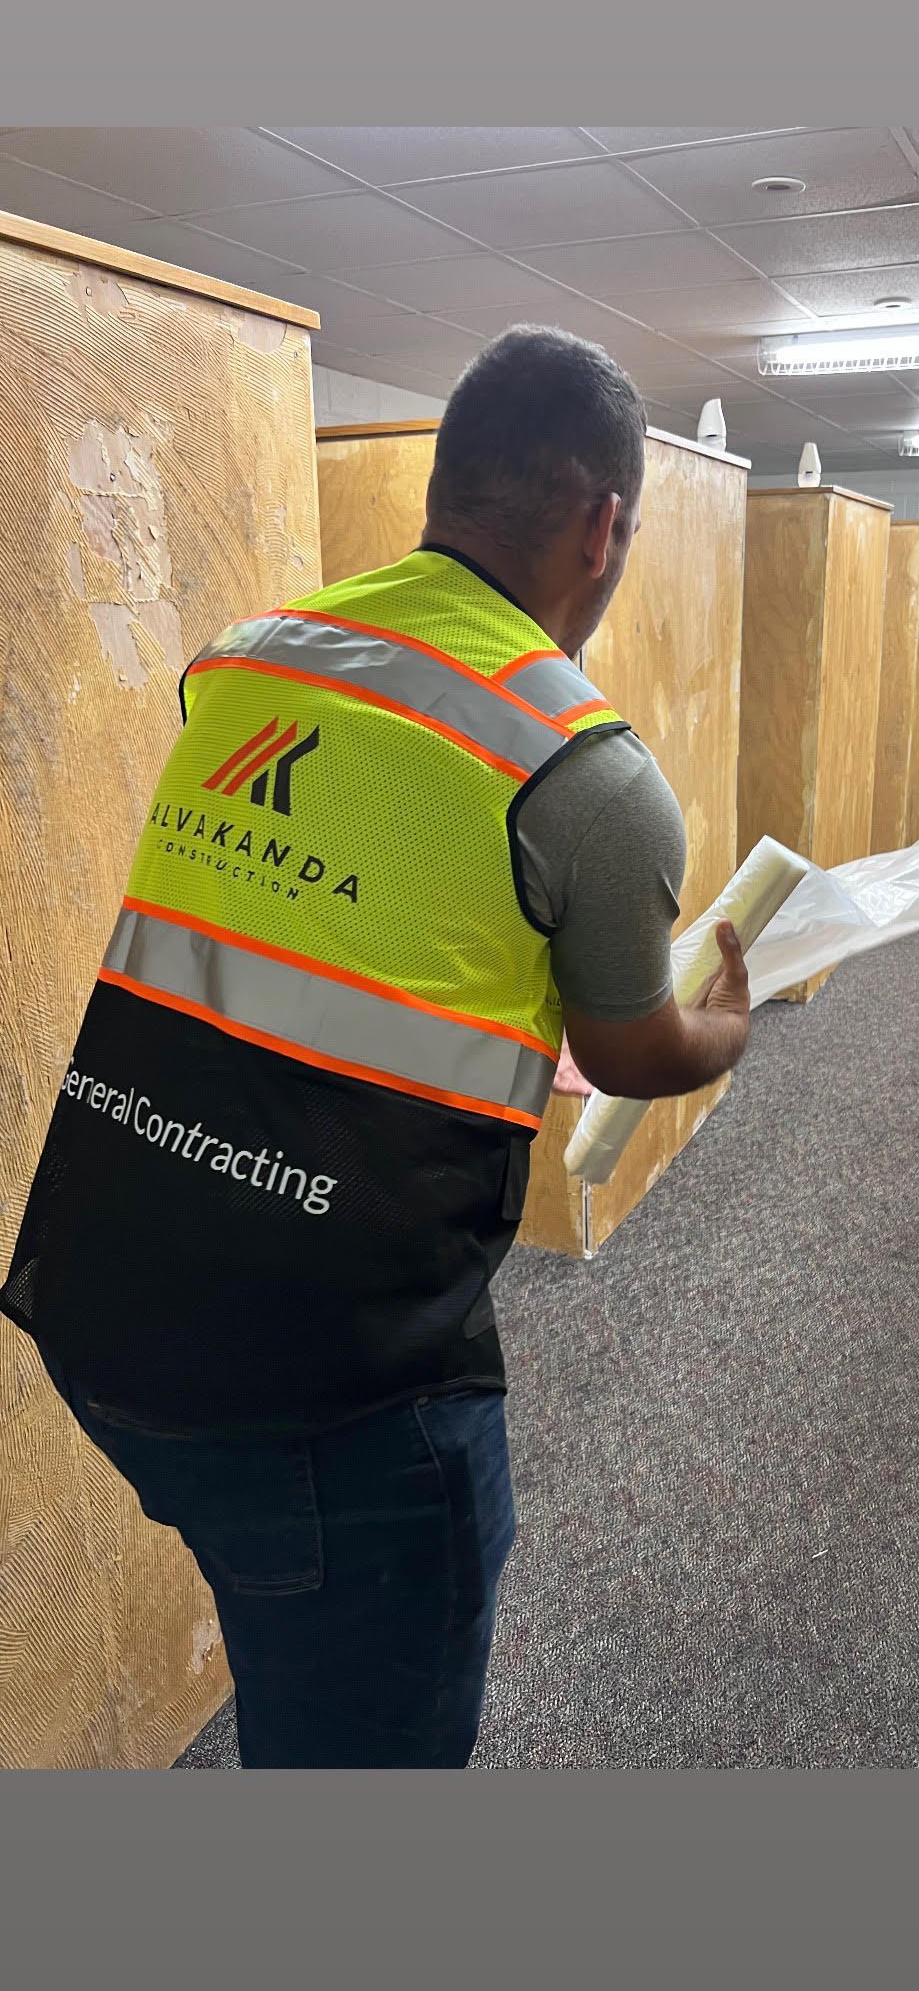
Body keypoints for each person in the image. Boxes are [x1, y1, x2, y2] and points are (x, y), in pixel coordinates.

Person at [1, 326, 752, 1769]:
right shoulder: (587, 772)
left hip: (96, 1294)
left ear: (439, 487)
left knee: (282, 1635)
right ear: (604, 527)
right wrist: (715, 1031)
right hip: (321, 1390)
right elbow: (634, 1043)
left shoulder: (255, 661)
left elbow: (331, 945)